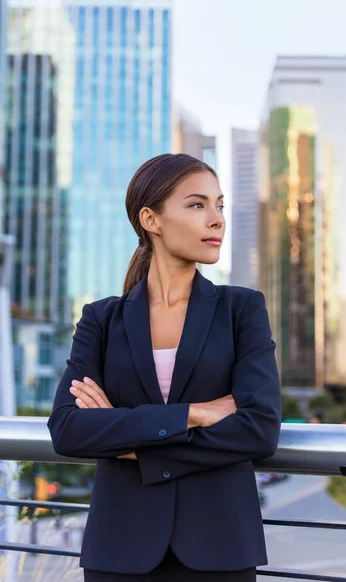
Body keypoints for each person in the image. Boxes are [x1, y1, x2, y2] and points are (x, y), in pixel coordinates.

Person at [47, 153, 282, 581]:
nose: (216, 220)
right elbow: (67, 429)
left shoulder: (242, 309)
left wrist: (129, 439)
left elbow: (259, 429)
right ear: (151, 219)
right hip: (119, 551)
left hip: (221, 549)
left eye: (220, 205)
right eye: (197, 205)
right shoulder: (101, 319)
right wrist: (194, 414)